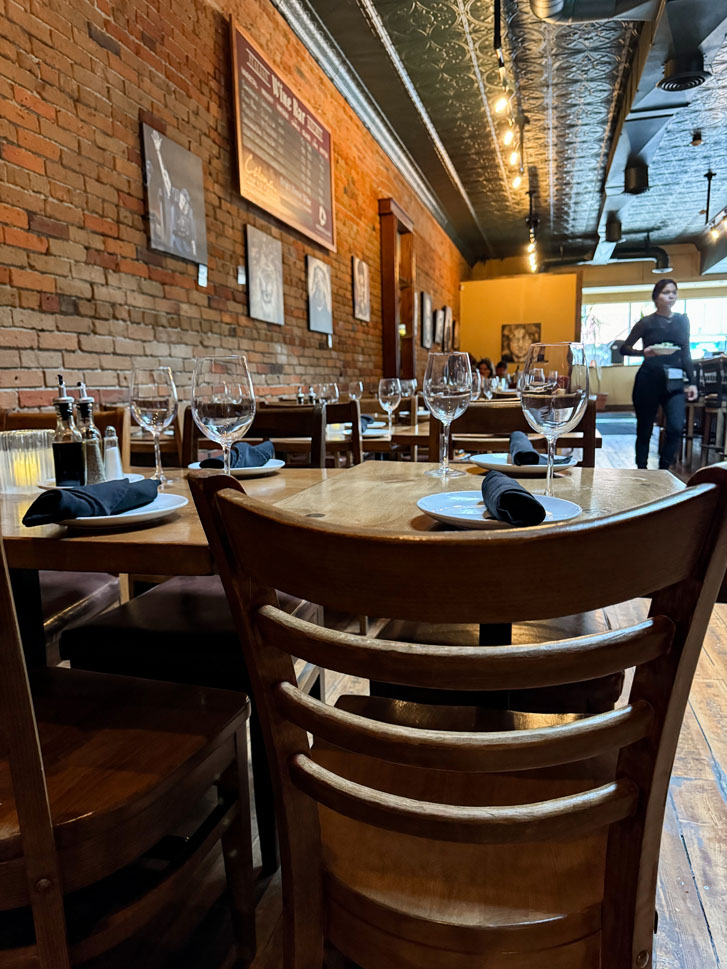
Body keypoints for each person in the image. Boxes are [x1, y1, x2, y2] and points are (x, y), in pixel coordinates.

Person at [620, 279, 698, 469]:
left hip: (675, 381)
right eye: (665, 292)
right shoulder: (646, 322)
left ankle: (664, 469)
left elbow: (686, 352)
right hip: (649, 379)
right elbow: (624, 348)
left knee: (676, 427)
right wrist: (643, 352)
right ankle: (642, 470)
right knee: (644, 428)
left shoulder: (682, 320)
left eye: (674, 292)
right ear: (656, 297)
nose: (671, 296)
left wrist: (693, 382)